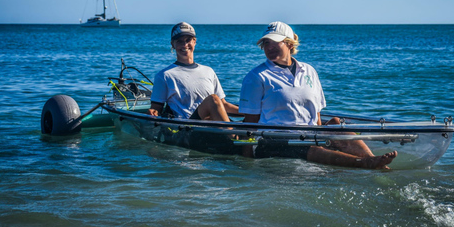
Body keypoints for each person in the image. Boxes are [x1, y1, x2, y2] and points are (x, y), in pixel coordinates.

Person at [239, 21, 397, 169]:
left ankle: (375, 160)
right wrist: (248, 159)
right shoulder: (256, 77)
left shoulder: (309, 71)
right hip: (274, 140)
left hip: (309, 134)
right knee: (310, 147)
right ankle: (364, 163)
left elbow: (317, 114)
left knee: (336, 123)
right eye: (266, 43)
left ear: (289, 43)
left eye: (275, 42)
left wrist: (322, 136)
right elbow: (250, 123)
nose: (269, 47)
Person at [148, 22, 239, 121]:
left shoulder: (208, 71)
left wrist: (251, 111)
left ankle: (236, 133)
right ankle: (233, 135)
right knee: (213, 99)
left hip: (212, 125)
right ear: (173, 44)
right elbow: (156, 109)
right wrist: (153, 112)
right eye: (179, 41)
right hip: (186, 128)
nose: (185, 45)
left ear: (194, 42)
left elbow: (223, 105)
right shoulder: (164, 75)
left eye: (188, 40)